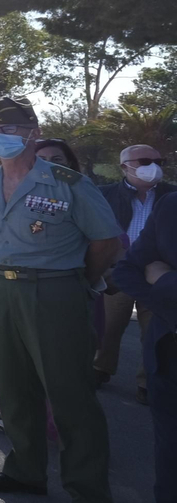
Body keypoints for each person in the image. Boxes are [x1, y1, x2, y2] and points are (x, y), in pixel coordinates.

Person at [0, 95, 122, 503]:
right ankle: (26, 472)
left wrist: (78, 282)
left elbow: (106, 242)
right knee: (14, 387)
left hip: (54, 291)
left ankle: (91, 501)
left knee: (71, 395)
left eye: (9, 130)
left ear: (33, 134)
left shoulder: (67, 183)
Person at [109, 194, 177, 503]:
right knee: (170, 481)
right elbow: (128, 270)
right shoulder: (172, 206)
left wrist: (165, 281)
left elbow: (153, 277)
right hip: (169, 365)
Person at [97, 144, 172, 404]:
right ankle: (100, 368)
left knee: (154, 333)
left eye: (159, 162)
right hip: (118, 272)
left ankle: (148, 382)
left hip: (157, 274)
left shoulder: (171, 196)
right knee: (108, 327)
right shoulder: (105, 194)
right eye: (145, 161)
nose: (154, 167)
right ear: (124, 166)